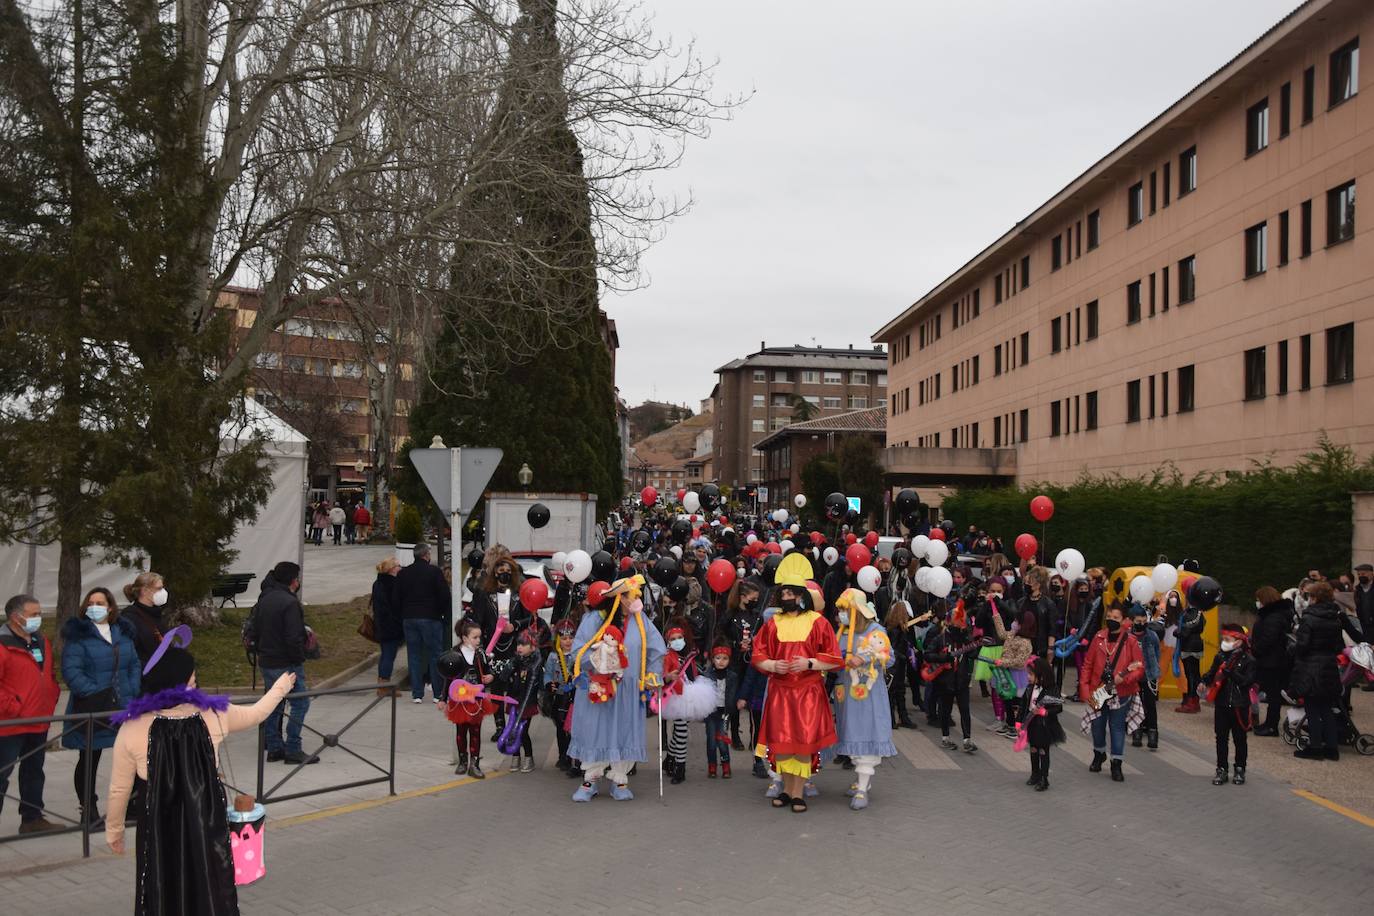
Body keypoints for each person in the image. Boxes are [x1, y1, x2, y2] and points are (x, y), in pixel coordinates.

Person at [105, 625, 296, 914]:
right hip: (205, 811)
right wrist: (281, 687)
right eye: (191, 674)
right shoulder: (214, 714)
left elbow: (119, 787)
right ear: (179, 680)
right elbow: (257, 713)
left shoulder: (132, 727)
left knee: (159, 877)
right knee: (210, 876)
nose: (195, 678)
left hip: (157, 816)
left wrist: (114, 829)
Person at [751, 554, 842, 813]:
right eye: (784, 592)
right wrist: (771, 665)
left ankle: (797, 792)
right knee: (782, 744)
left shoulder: (818, 622)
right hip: (780, 691)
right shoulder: (773, 623)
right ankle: (787, 790)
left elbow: (834, 658)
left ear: (802, 595)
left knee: (802, 743)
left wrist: (810, 663)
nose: (786, 596)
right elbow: (759, 654)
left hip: (808, 693)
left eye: (791, 592)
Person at [569, 574, 666, 802]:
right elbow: (577, 652)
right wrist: (599, 656)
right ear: (619, 598)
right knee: (596, 730)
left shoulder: (641, 621)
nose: (638, 596)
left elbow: (656, 648)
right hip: (599, 688)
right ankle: (590, 780)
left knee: (625, 730)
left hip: (628, 691)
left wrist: (653, 675)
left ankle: (619, 780)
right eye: (632, 593)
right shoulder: (594, 620)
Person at [60, 588, 142, 828]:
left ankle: (131, 805)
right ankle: (89, 809)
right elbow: (71, 671)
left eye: (100, 602)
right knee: (89, 758)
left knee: (131, 757)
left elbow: (134, 663)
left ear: (110, 607)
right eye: (91, 602)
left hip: (124, 704)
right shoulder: (78, 636)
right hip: (93, 707)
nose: (94, 606)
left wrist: (133, 688)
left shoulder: (123, 633)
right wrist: (94, 692)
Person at [0, 594, 62, 834]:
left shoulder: (40, 639)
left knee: (34, 772)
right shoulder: (3, 643)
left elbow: (48, 674)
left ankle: (32, 819)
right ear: (16, 617)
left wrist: (53, 694)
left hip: (38, 719)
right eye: (34, 614)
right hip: (10, 723)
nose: (39, 617)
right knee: (2, 774)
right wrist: (13, 707)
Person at [831, 588, 896, 811]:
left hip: (867, 697)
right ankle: (861, 782)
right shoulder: (840, 631)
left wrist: (865, 658)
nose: (841, 614)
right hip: (846, 695)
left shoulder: (875, 630)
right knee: (851, 734)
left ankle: (862, 788)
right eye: (839, 610)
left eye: (844, 609)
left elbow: (889, 656)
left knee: (866, 734)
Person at [253, 561, 317, 765]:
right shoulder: (289, 603)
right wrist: (299, 659)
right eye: (297, 578)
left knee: (274, 703)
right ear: (293, 581)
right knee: (300, 702)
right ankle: (293, 748)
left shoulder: (265, 598)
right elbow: (293, 637)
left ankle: (274, 747)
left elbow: (255, 630)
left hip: (267, 659)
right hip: (286, 662)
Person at [1290, 581, 1363, 761]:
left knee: (1312, 708)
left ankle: (1315, 747)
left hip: (1311, 667)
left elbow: (1303, 645)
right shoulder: (1336, 617)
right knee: (1327, 709)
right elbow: (1339, 644)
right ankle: (1332, 748)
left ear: (1314, 598)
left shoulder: (1309, 618)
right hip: (1329, 666)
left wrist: (1293, 648)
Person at [1079, 604, 1144, 782]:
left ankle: (1117, 763)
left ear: (1124, 621)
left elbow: (1139, 667)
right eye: (1109, 616)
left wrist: (1126, 679)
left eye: (1116, 617)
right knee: (1097, 725)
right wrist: (1085, 690)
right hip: (1098, 689)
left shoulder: (1130, 641)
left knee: (1116, 727)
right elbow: (1087, 664)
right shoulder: (1098, 637)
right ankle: (1099, 753)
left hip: (1121, 691)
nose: (1111, 620)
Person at [924, 599, 981, 753]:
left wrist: (973, 647)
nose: (961, 625)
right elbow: (927, 655)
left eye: (963, 622)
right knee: (945, 709)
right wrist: (943, 658)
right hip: (945, 680)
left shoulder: (966, 638)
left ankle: (967, 739)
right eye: (958, 621)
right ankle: (945, 737)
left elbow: (974, 654)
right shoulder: (940, 638)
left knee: (965, 710)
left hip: (962, 680)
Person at [396, 542, 451, 704]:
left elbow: (397, 597)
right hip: (431, 618)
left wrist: (404, 613)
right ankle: (437, 693)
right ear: (426, 555)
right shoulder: (434, 572)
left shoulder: (404, 574)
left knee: (414, 655)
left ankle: (417, 693)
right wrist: (441, 613)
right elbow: (444, 596)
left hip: (409, 618)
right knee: (435, 654)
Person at [1202, 623, 1256, 785]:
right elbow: (1212, 674)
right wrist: (1204, 680)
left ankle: (1240, 769)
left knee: (1240, 739)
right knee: (1221, 738)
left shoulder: (1249, 660)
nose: (1224, 642)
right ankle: (1221, 769)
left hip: (1240, 704)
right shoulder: (1220, 657)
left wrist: (1232, 673)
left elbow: (1247, 682)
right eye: (1223, 639)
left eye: (1227, 639)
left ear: (1238, 641)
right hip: (1222, 703)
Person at [442, 619, 493, 778]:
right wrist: (443, 698)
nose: (478, 640)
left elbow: (488, 669)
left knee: (476, 731)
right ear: (464, 638)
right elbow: (448, 678)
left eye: (479, 637)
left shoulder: (481, 654)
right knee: (461, 731)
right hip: (459, 701)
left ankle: (474, 764)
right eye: (475, 637)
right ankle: (463, 761)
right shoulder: (454, 654)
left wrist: (490, 676)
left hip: (476, 699)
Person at [722, 576, 764, 751]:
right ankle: (735, 734)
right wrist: (734, 645)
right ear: (743, 597)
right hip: (734, 663)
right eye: (752, 599)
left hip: (752, 664)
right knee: (734, 701)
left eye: (757, 599)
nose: (755, 602)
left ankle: (755, 739)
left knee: (754, 702)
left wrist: (754, 644)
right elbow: (721, 638)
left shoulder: (757, 617)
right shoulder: (729, 616)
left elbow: (763, 639)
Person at [1250, 586, 1295, 735]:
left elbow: (1269, 639)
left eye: (1258, 600)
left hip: (1272, 661)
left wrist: (1255, 650)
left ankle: (1271, 725)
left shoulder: (1273, 617)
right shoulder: (1275, 615)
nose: (1257, 603)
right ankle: (1269, 723)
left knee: (1273, 695)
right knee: (1272, 694)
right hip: (1272, 659)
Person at [1019, 656, 1065, 791]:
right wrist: (1018, 723)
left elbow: (1058, 707)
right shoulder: (1029, 688)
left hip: (1045, 726)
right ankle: (1035, 774)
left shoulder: (1051, 689)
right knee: (1033, 749)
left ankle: (1044, 778)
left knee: (1043, 751)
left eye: (1031, 674)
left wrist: (1046, 712)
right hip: (1031, 724)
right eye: (1028, 673)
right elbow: (1023, 706)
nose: (1028, 677)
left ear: (1041, 675)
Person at [504, 629, 543, 773]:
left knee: (522, 731)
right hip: (514, 700)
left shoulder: (536, 662)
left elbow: (534, 684)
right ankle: (515, 756)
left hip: (527, 703)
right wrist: (511, 665)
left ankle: (528, 757)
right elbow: (503, 678)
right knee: (511, 728)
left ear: (532, 647)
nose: (519, 647)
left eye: (523, 644)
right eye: (518, 644)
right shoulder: (516, 660)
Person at [543, 619, 578, 776]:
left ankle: (574, 758)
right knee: (560, 728)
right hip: (559, 698)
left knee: (573, 729)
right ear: (558, 639)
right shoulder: (552, 657)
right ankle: (562, 756)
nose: (568, 641)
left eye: (571, 638)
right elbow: (548, 674)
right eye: (564, 638)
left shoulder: (578, 654)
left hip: (575, 698)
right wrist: (549, 683)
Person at [1128, 602, 1162, 750]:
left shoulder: (1152, 636)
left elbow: (1157, 653)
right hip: (1133, 674)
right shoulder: (1128, 636)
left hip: (1149, 674)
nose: (1141, 624)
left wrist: (1154, 670)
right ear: (1132, 621)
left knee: (1150, 704)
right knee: (1136, 704)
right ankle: (1137, 730)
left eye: (1143, 621)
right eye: (1138, 622)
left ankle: (1153, 733)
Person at [702, 641, 738, 779]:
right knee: (711, 741)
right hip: (711, 713)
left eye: (725, 658)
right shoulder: (707, 675)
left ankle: (726, 765)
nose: (721, 661)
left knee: (722, 740)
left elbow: (734, 694)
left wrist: (735, 705)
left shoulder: (733, 676)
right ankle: (712, 765)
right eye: (718, 658)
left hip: (725, 713)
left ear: (729, 660)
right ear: (712, 659)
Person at [662, 621, 692, 785]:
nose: (677, 641)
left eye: (680, 637)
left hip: (689, 695)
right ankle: (680, 767)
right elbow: (662, 676)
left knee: (680, 733)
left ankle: (670, 758)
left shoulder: (688, 654)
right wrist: (668, 677)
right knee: (682, 733)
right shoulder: (667, 656)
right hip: (675, 697)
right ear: (668, 641)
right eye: (673, 639)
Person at [883, 600, 919, 729]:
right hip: (896, 665)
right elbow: (894, 649)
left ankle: (897, 718)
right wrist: (905, 655)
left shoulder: (891, 628)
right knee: (896, 691)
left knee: (896, 691)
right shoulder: (897, 630)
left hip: (896, 665)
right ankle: (897, 718)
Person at [121, 571, 168, 665]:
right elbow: (128, 653)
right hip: (145, 674)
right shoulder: (129, 618)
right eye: (159, 588)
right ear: (145, 591)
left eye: (162, 587)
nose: (163, 592)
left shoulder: (156, 613)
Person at [372, 558, 403, 696]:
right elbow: (396, 605)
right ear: (391, 568)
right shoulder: (393, 584)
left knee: (385, 654)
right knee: (389, 655)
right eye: (397, 566)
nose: (400, 568)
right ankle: (384, 684)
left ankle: (382, 681)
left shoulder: (378, 583)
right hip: (391, 625)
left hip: (381, 623)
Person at [1173, 591, 1205, 713]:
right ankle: (1195, 701)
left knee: (1191, 674)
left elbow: (1185, 631)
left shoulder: (1190, 613)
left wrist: (1176, 632)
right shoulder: (1199, 613)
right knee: (1195, 674)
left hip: (1189, 646)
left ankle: (1191, 702)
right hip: (1196, 645)